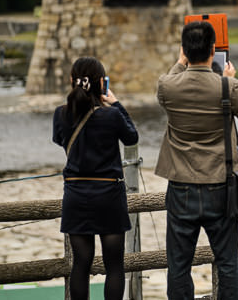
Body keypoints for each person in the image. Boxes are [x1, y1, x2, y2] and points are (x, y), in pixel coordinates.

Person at [156, 21, 238, 300]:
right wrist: (230, 79)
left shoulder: (167, 85)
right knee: (227, 263)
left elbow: (165, 91)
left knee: (178, 265)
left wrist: (179, 64)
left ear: (184, 51)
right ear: (214, 50)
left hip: (181, 187)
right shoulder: (227, 86)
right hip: (220, 185)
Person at [52, 57, 138, 300]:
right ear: (102, 82)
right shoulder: (111, 116)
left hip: (76, 196)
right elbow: (132, 137)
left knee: (81, 264)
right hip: (108, 196)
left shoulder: (61, 114)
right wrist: (117, 104)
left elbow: (59, 139)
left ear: (72, 81)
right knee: (114, 265)